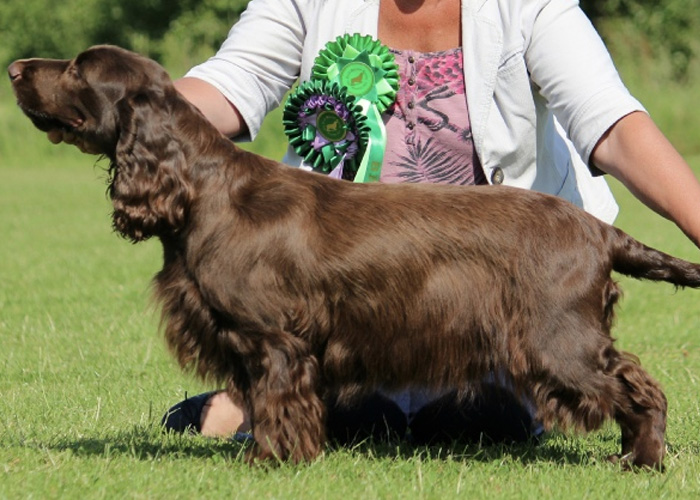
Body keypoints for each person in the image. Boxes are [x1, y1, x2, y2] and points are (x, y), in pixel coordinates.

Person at [54, 0, 700, 445]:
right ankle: (269, 399)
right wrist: (127, 112)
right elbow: (230, 85)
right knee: (357, 416)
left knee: (475, 423)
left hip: (481, 289)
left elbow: (614, 125)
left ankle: (266, 403)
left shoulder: (530, 5)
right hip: (346, 287)